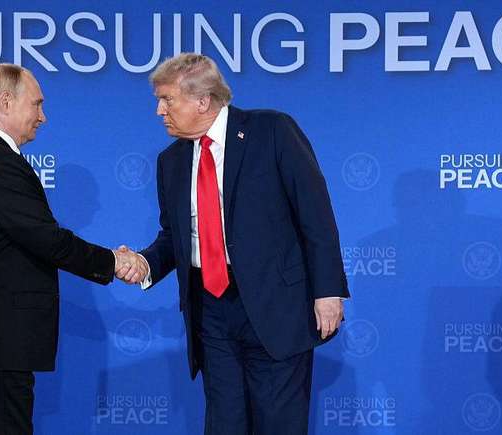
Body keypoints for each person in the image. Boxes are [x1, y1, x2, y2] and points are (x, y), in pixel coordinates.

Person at [118, 53, 350, 435]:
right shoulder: (171, 161)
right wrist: (144, 263)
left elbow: (316, 215)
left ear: (202, 100)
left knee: (279, 423)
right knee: (225, 423)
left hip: (275, 305)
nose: (159, 110)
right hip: (210, 309)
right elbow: (174, 237)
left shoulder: (272, 130)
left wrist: (327, 291)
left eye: (167, 99)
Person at [0, 63, 137, 434]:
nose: (43, 117)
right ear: (5, 102)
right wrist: (113, 261)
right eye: (37, 104)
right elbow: (46, 239)